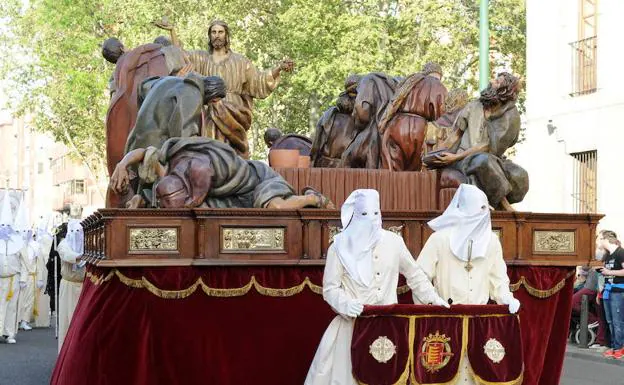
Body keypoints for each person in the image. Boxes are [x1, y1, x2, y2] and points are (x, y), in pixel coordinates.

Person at [304, 189, 448, 385]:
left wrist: (433, 298)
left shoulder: (394, 242)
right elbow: (330, 288)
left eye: (375, 213)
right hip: (352, 327)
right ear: (354, 214)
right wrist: (345, 304)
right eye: (364, 214)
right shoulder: (338, 247)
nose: (371, 219)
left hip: (390, 327)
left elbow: (415, 275)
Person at [415, 184, 521, 384]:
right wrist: (432, 300)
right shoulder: (439, 239)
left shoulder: (491, 241)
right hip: (444, 321)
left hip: (478, 322)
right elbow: (419, 277)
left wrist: (507, 298)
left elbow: (498, 279)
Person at [111, 137, 335, 210]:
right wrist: (122, 164)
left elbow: (192, 198)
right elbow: (144, 153)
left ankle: (312, 197)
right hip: (234, 198)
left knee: (275, 207)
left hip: (259, 181)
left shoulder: (202, 173)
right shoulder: (171, 168)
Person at [426, 73, 528, 210]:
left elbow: (490, 146)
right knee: (483, 161)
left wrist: (455, 156)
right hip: (463, 160)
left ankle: (494, 202)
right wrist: (439, 153)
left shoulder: (511, 115)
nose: (491, 81)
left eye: (497, 82)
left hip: (493, 158)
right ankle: (503, 205)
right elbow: (455, 135)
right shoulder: (474, 106)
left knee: (519, 174)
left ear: (505, 91)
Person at [157, 19, 294, 113]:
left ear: (226, 35)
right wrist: (172, 31)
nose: (217, 35)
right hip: (208, 109)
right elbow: (181, 56)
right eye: (214, 32)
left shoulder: (241, 61)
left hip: (233, 112)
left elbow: (259, 81)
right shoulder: (201, 57)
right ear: (210, 36)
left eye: (220, 32)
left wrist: (278, 68)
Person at [102, 36, 191, 177]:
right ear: (122, 48)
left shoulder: (116, 78)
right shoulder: (149, 57)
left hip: (133, 128)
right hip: (157, 122)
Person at [379, 62, 448, 171]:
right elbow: (442, 116)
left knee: (392, 169)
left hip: (398, 125)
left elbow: (395, 101)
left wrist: (384, 121)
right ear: (439, 75)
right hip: (420, 129)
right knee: (415, 171)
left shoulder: (411, 80)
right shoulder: (440, 87)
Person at [311, 75, 360, 167]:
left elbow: (315, 149)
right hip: (348, 172)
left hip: (324, 169)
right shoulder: (363, 122)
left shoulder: (327, 117)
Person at [0, 191, 26, 344]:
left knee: (11, 307)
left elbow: (24, 263)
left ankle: (9, 333)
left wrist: (23, 279)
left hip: (13, 280)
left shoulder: (18, 243)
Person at [56, 220, 86, 352]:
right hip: (68, 286)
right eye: (73, 232)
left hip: (84, 287)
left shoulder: (87, 245)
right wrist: (80, 257)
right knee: (66, 320)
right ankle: (65, 352)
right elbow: (67, 255)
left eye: (79, 232)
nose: (76, 235)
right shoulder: (63, 244)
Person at [596, 230, 624, 359]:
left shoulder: (620, 253)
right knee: (610, 320)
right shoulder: (607, 255)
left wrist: (608, 272)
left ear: (606, 239)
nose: (598, 241)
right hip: (608, 290)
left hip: (618, 291)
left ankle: (619, 347)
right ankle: (614, 346)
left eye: (599, 238)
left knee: (617, 321)